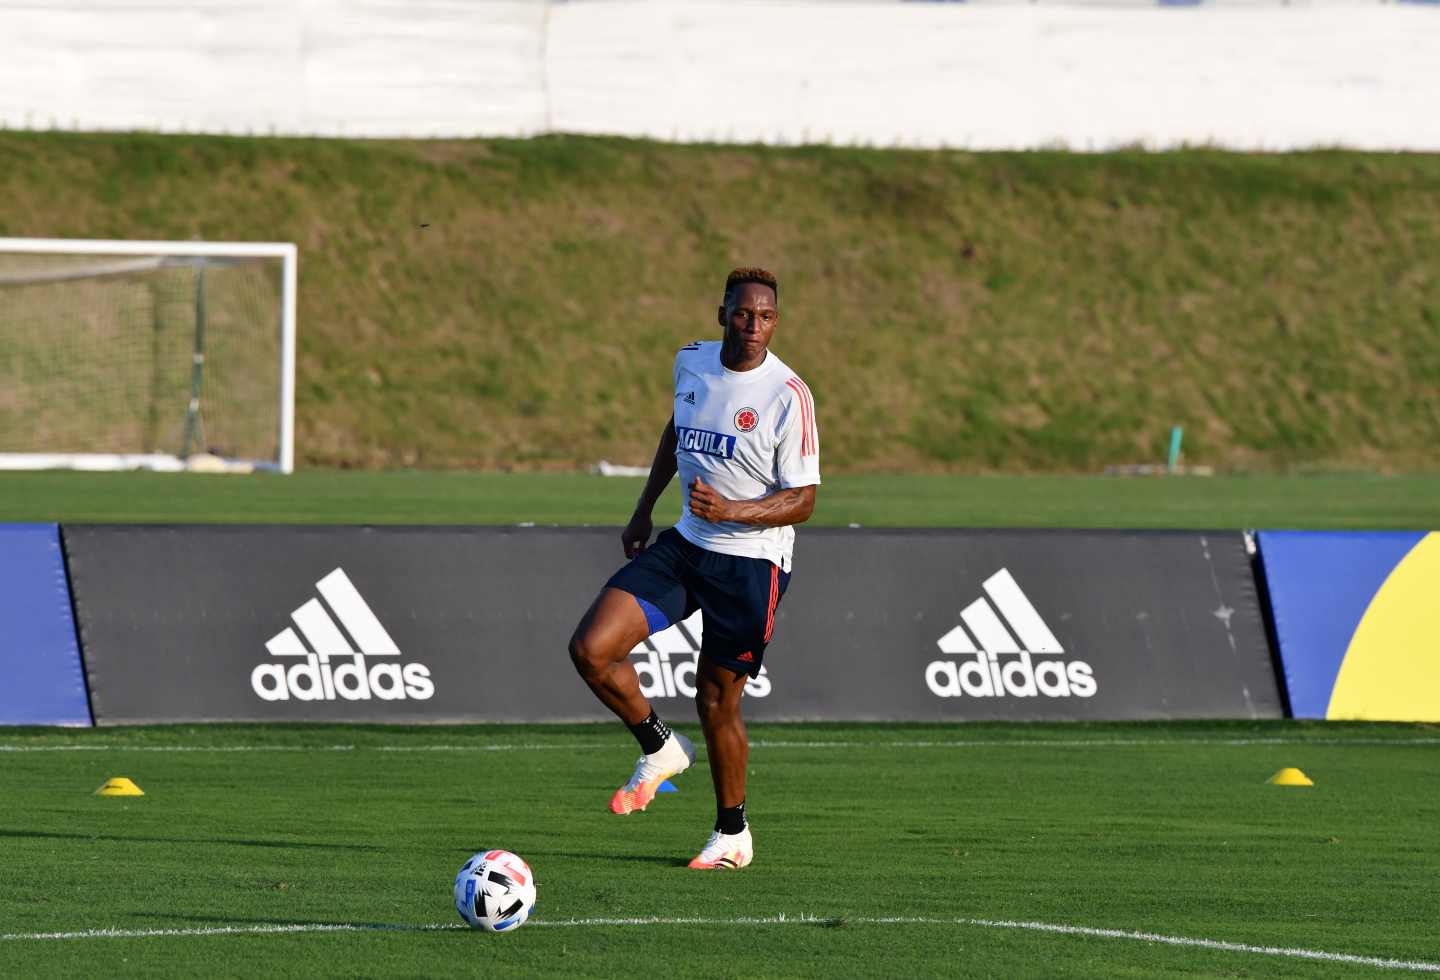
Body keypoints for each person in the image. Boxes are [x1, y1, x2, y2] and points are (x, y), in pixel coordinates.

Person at [568, 267, 821, 870]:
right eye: (743, 313)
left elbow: (804, 500)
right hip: (687, 543)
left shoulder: (789, 394)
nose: (753, 325)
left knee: (715, 700)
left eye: (765, 316)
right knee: (591, 648)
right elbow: (675, 433)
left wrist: (732, 510)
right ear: (722, 314)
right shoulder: (691, 361)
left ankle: (733, 832)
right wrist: (643, 507)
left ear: (776, 323)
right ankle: (660, 748)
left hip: (751, 565)